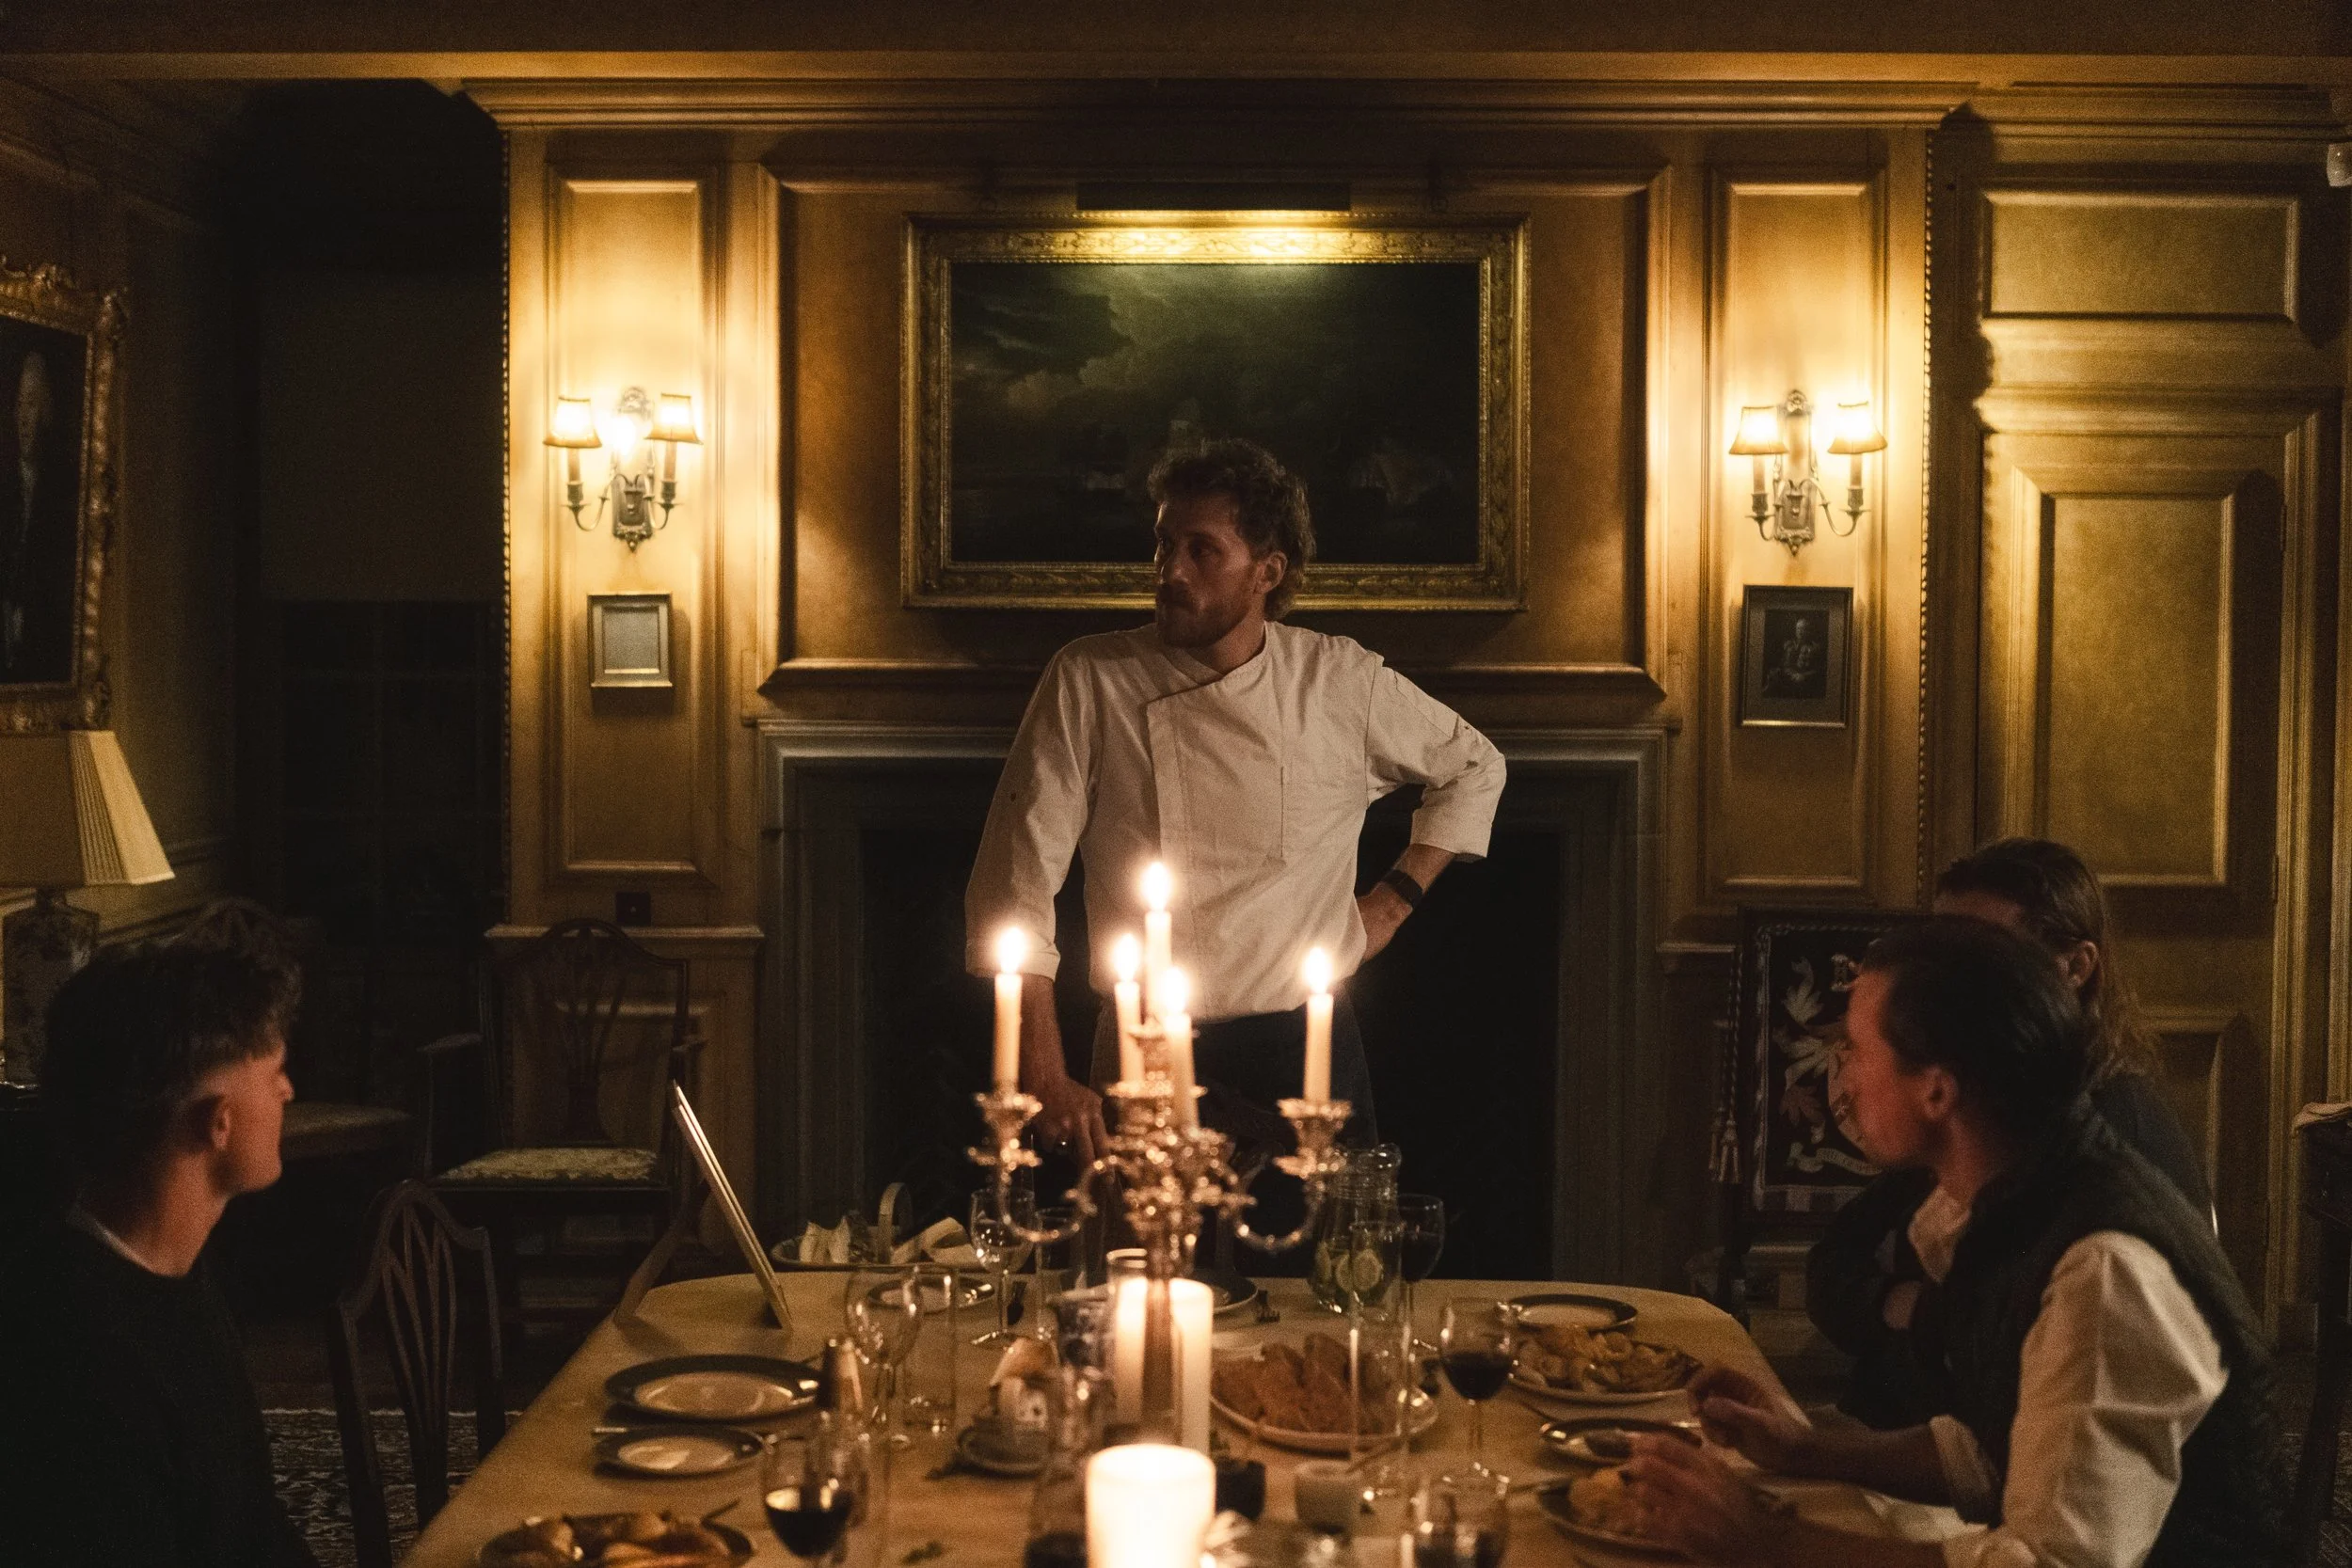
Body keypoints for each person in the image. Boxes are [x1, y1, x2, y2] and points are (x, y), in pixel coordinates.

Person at [1628, 917, 2287, 1568]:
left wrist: (1766, 1544)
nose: (1843, 1079)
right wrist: (1806, 1448)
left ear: (1936, 1089)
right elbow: (1995, 1451)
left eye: (1856, 1049)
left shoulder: (2105, 1268)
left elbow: (2041, 1562)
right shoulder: (2018, 1193)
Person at [964, 436, 1504, 1176]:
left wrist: (1395, 899)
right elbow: (1013, 885)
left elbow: (1476, 765)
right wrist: (1046, 1072)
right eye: (1163, 543)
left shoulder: (1337, 681)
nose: (1169, 571)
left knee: (1325, 1285)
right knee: (1143, 1284)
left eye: (1201, 550)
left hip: (1303, 1056)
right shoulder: (1090, 677)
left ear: (1267, 572)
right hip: (1141, 1050)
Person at [1808, 836, 2212, 1428]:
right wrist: (1919, 1313)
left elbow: (2015, 1412)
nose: (1937, 983)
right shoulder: (1970, 1098)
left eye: (1977, 957)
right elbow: (1831, 1272)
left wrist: (1927, 1318)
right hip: (1910, 1434)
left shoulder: (2096, 1139)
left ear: (2074, 968)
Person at [0, 935, 318, 1568]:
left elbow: (248, 1529)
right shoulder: (72, 1353)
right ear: (218, 1120)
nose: (287, 1090)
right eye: (273, 1070)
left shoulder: (173, 1273)